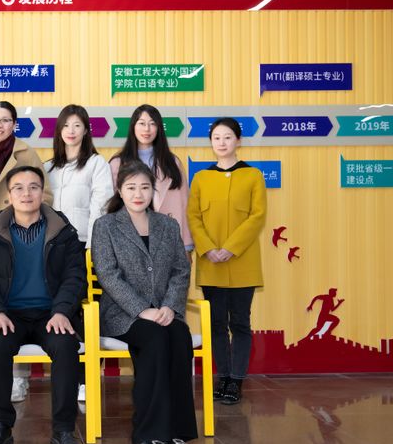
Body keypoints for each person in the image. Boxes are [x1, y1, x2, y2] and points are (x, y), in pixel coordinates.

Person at [0, 166, 87, 444]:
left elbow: (76, 277)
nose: (27, 193)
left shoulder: (63, 231)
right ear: (9, 195)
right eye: (19, 188)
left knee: (66, 346)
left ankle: (64, 429)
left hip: (51, 314)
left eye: (33, 187)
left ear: (42, 193)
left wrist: (62, 311)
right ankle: (0, 426)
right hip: (8, 315)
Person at [91, 161, 197, 444]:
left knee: (179, 337)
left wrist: (170, 306)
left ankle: (176, 430)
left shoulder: (168, 225)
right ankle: (149, 431)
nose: (138, 194)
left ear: (153, 191)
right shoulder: (106, 226)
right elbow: (108, 275)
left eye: (144, 187)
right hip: (122, 314)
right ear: (120, 191)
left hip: (163, 310)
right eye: (131, 187)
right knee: (155, 338)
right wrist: (141, 309)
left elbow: (180, 270)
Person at [0, 101, 53, 403]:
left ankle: (19, 377)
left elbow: (45, 195)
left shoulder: (26, 153)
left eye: (5, 120)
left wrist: (23, 222)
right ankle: (0, 376)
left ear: (14, 124)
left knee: (19, 299)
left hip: (17, 233)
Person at [187, 117, 267, 406]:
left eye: (227, 137)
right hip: (211, 263)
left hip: (242, 261)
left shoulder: (253, 175)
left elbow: (257, 216)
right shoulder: (201, 178)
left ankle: (237, 380)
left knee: (241, 323)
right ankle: (222, 377)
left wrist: (231, 248)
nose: (222, 143)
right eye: (216, 138)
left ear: (238, 141)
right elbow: (193, 216)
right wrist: (208, 248)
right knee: (217, 324)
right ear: (211, 143)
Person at [44, 104, 113, 402]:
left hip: (84, 246)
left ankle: (86, 379)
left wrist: (92, 246)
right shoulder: (48, 167)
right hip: (50, 249)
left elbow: (102, 206)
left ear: (86, 130)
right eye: (66, 126)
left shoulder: (97, 164)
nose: (71, 131)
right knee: (56, 308)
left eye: (77, 125)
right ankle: (63, 376)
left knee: (84, 311)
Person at [109, 104, 193, 251]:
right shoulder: (117, 163)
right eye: (142, 123)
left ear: (159, 128)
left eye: (152, 124)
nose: (146, 129)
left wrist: (186, 245)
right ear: (133, 127)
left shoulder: (172, 162)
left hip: (167, 239)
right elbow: (111, 206)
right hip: (129, 240)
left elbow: (184, 203)